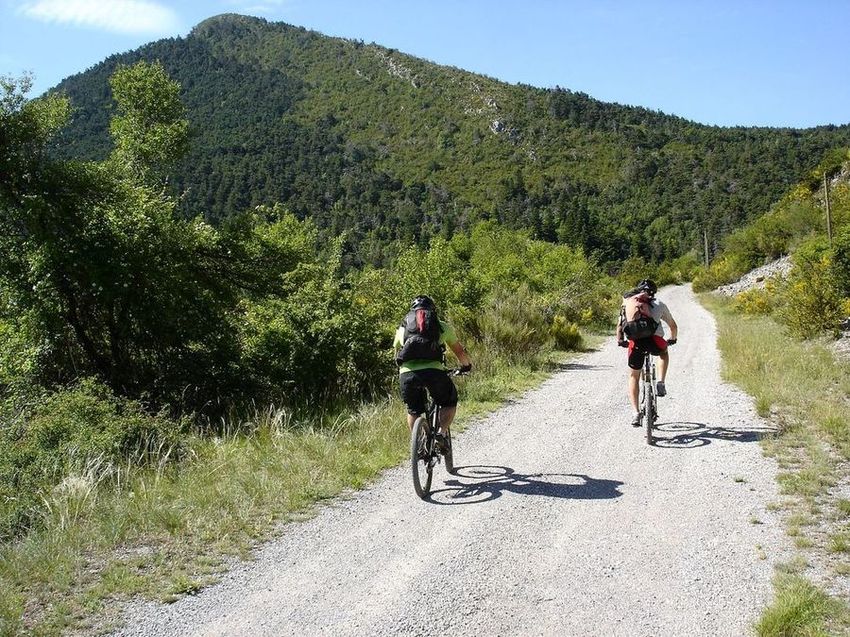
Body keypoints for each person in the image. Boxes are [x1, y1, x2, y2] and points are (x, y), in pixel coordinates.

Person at [393, 296, 472, 446]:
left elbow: (397, 350)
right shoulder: (441, 326)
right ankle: (441, 434)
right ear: (432, 311)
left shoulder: (402, 328)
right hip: (434, 373)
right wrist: (466, 366)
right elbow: (460, 352)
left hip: (407, 374)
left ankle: (420, 441)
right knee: (449, 402)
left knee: (413, 410)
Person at [616, 279, 678, 427]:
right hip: (655, 341)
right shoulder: (659, 304)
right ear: (654, 293)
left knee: (633, 376)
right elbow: (673, 326)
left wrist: (621, 341)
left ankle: (636, 413)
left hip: (636, 343)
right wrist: (672, 339)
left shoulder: (629, 303)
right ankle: (661, 382)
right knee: (664, 353)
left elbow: (620, 326)